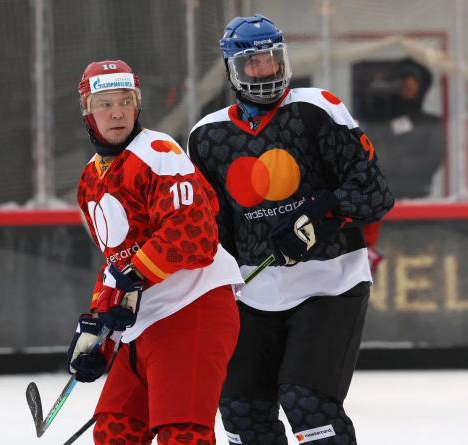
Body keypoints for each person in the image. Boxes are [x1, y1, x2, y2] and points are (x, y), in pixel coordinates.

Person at [187, 14, 394, 445]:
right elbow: (210, 233)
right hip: (252, 295)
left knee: (307, 404)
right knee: (242, 414)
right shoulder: (206, 137)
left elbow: (375, 193)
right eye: (252, 63)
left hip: (329, 285)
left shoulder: (316, 108)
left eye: (271, 59)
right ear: (232, 69)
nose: (265, 71)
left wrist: (318, 214)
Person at [67, 59, 244, 445]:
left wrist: (133, 277)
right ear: (87, 111)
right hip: (144, 324)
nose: (117, 112)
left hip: (193, 309)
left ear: (137, 105)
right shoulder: (88, 181)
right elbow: (116, 262)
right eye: (104, 103)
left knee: (182, 435)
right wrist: (98, 330)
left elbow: (193, 233)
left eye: (125, 101)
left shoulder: (159, 151)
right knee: (115, 430)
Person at [358, 57, 446, 199]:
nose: (408, 87)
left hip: (419, 197)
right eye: (403, 81)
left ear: (422, 87)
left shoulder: (431, 123)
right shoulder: (379, 121)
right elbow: (373, 158)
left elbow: (431, 161)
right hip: (380, 197)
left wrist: (395, 161)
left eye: (415, 82)